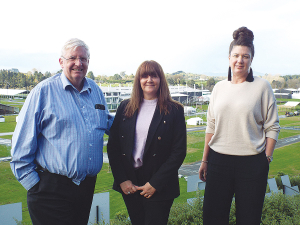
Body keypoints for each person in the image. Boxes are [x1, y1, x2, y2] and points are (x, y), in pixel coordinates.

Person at [10, 38, 114, 225]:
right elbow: (20, 148)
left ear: (88, 62)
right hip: (50, 191)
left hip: (85, 189)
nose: (78, 63)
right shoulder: (43, 92)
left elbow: (112, 125)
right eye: (72, 58)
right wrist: (36, 187)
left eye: (83, 58)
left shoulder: (96, 91)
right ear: (61, 62)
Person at [198, 27, 280, 225]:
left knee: (249, 219)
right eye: (236, 55)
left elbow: (273, 126)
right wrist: (205, 160)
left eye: (245, 56)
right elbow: (211, 126)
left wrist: (266, 158)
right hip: (218, 161)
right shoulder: (219, 88)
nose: (240, 60)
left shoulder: (262, 87)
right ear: (229, 58)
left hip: (252, 163)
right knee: (213, 218)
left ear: (251, 59)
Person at [107, 60, 186, 225]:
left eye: (154, 76)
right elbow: (113, 146)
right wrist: (122, 179)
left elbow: (178, 151)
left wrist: (155, 183)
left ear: (160, 80)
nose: (149, 80)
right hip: (131, 183)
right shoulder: (125, 107)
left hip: (159, 183)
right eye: (145, 76)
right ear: (138, 80)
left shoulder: (174, 110)